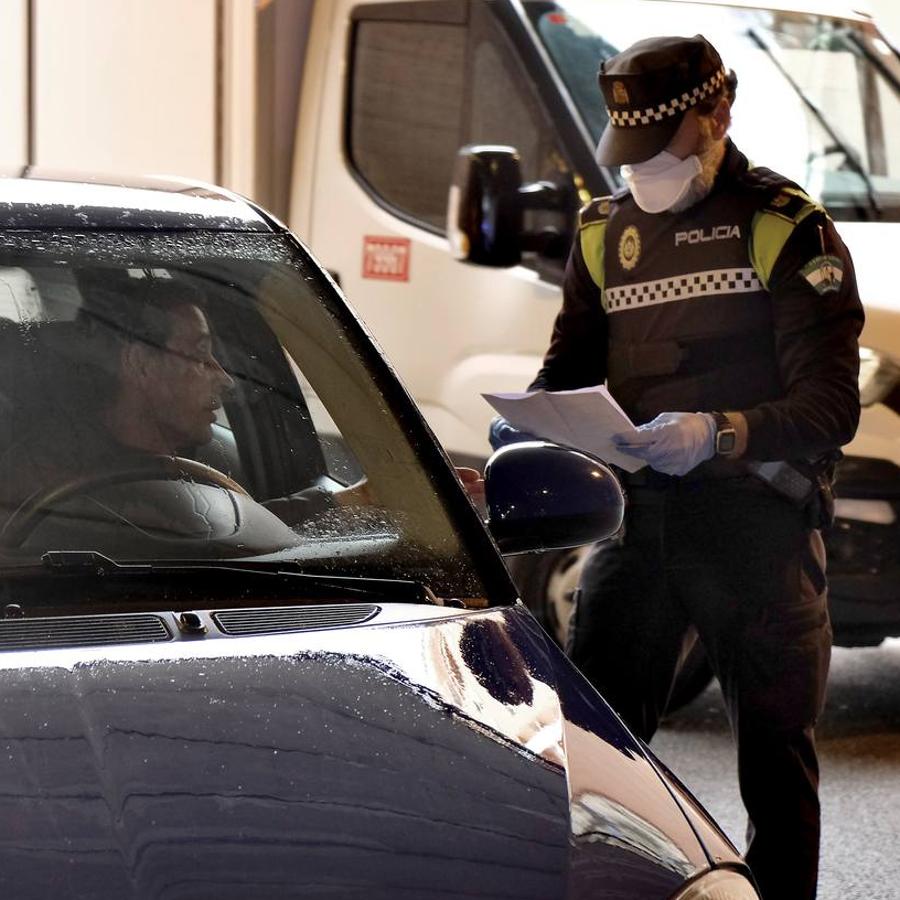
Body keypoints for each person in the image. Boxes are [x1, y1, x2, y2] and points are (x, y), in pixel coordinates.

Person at [492, 35, 863, 900]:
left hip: (758, 532)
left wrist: (719, 431)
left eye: (661, 149)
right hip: (642, 524)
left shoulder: (784, 225)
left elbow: (830, 409)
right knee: (596, 747)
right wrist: (535, 423)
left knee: (776, 765)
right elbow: (570, 370)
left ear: (716, 116)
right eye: (631, 153)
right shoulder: (601, 232)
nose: (643, 172)